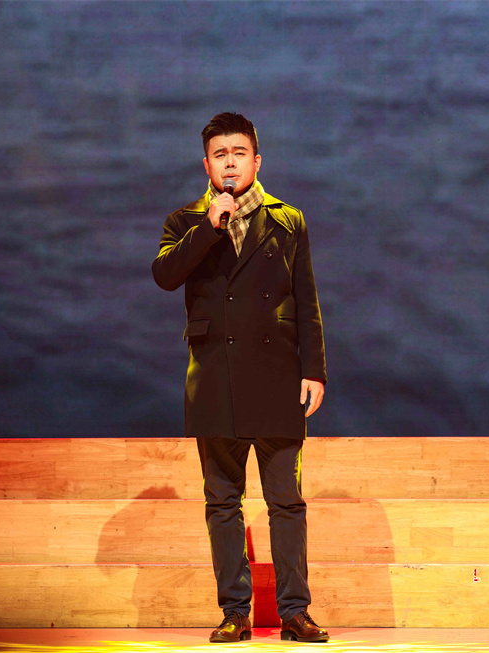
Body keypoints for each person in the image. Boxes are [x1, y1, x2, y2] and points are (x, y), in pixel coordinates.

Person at [152, 112, 329, 643]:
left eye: (239, 153)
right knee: (222, 502)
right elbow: (165, 276)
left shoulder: (288, 220)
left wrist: (314, 370)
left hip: (277, 375)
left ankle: (295, 611)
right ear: (206, 165)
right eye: (220, 155)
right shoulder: (186, 221)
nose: (230, 163)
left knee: (286, 501)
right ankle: (235, 611)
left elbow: (307, 300)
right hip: (214, 377)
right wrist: (209, 228)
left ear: (257, 160)